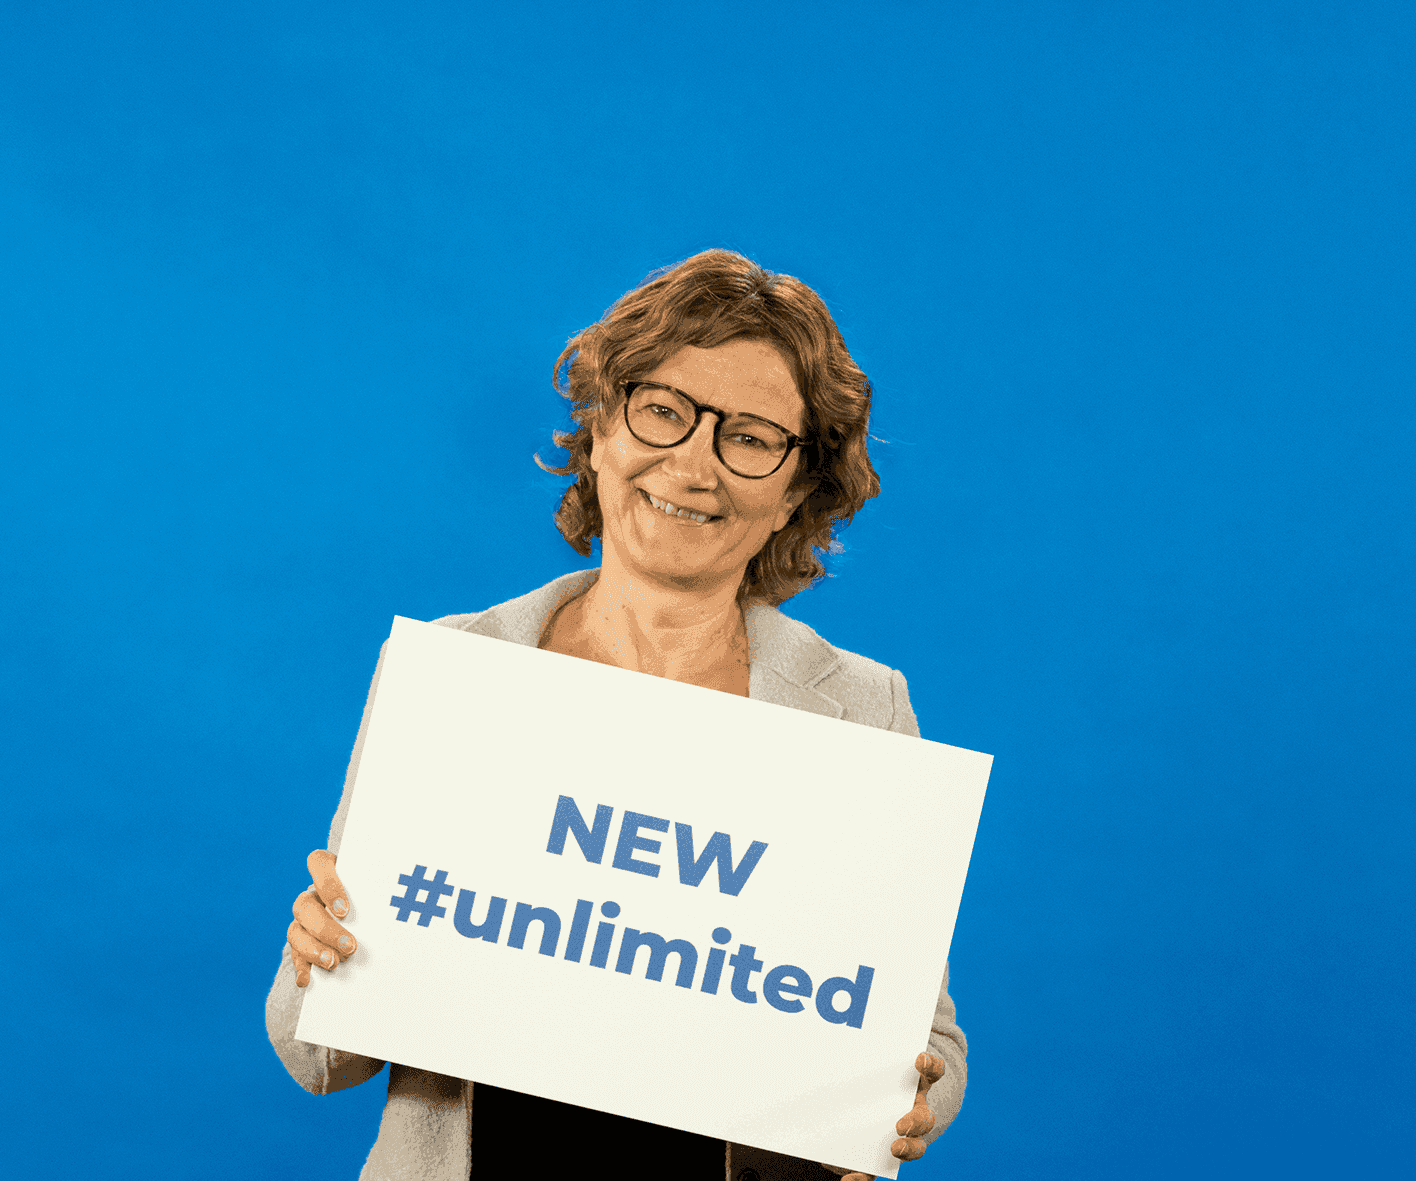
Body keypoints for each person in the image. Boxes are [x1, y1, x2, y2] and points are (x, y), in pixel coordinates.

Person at [265, 249, 966, 1180]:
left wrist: (904, 1102)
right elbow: (317, 1056)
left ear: (795, 490)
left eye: (751, 437)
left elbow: (926, 1037)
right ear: (599, 431)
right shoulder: (455, 674)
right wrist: (324, 955)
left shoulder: (864, 711)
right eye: (663, 410)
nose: (694, 464)